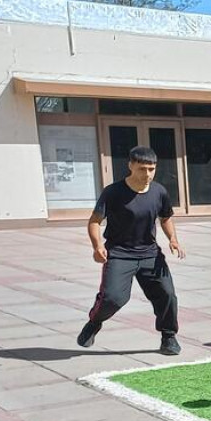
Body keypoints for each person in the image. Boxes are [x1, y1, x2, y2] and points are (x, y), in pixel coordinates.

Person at [78, 146, 185, 355]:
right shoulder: (113, 192)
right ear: (130, 166)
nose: (147, 174)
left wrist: (173, 239)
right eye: (142, 169)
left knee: (167, 295)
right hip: (119, 254)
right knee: (113, 298)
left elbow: (165, 217)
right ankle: (94, 321)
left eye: (151, 169)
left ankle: (168, 337)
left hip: (150, 254)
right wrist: (97, 246)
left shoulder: (159, 192)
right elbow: (94, 221)